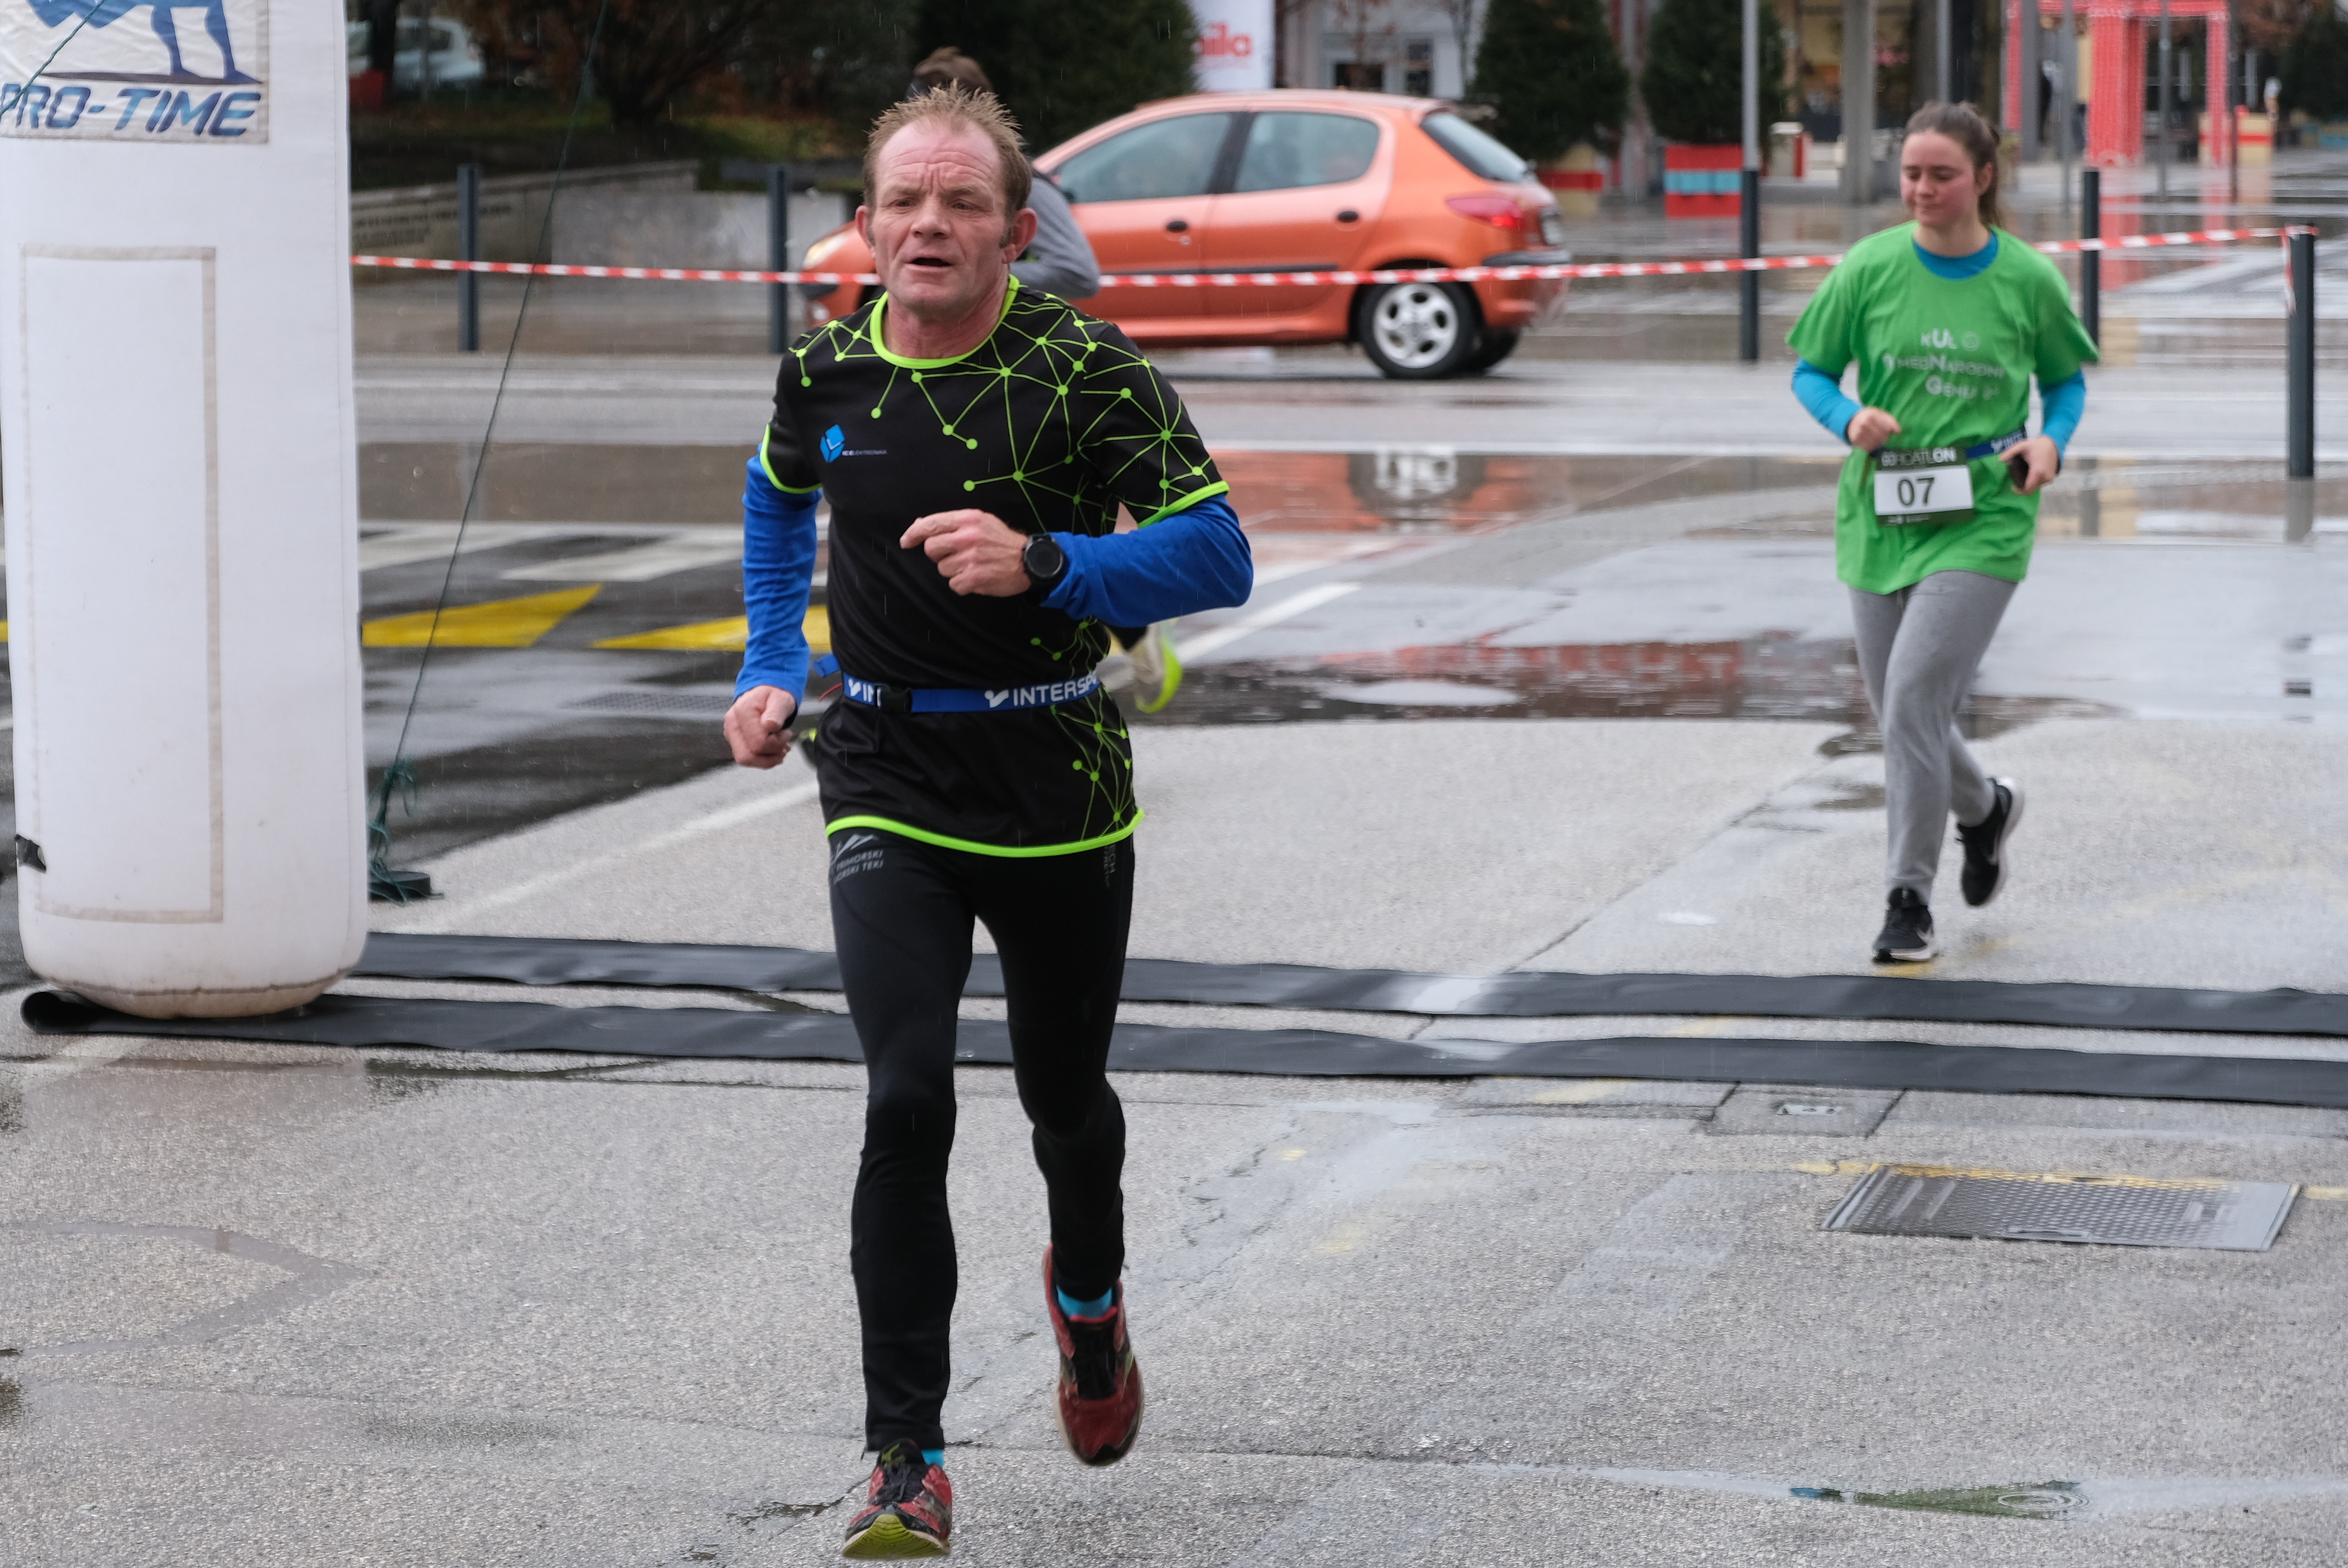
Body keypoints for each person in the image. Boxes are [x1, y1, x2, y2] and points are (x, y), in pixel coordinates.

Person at [723, 83, 1252, 1559]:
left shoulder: (1085, 367)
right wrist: (770, 665)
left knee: (1063, 1103)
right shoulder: (824, 369)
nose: (929, 225)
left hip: (1054, 781)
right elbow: (772, 498)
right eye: (905, 201)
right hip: (883, 770)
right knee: (905, 1097)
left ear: (1016, 232)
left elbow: (1218, 553)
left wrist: (1050, 564)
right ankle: (905, 1457)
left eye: (962, 202)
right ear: (866, 224)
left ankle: (1088, 1302)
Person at [1786, 101, 2095, 964]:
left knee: (1915, 698)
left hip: (1984, 508)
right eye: (1911, 174)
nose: (1922, 189)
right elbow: (1811, 373)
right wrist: (1847, 419)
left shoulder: (2027, 279)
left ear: (1983, 179)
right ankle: (1986, 809)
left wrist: (2052, 440)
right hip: (1881, 509)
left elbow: (2065, 384)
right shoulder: (1870, 266)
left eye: (1942, 175)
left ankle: (1906, 901)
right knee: (1899, 709)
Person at [906, 48, 1184, 712]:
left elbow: (1080, 271)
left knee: (1029, 530)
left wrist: (984, 274)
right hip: (950, 364)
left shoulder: (1026, 183)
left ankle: (1132, 627)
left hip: (1026, 370)